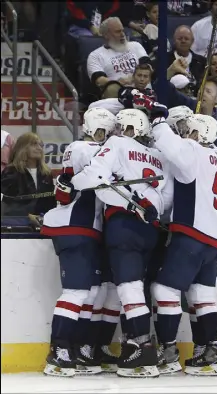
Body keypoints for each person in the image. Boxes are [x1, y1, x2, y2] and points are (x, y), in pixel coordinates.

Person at [144, 107, 217, 377]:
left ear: (200, 133)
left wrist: (158, 120)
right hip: (215, 241)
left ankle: (168, 353)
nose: (185, 134)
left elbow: (170, 147)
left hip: (191, 234)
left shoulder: (193, 151)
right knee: (202, 295)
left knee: (164, 291)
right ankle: (210, 354)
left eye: (190, 130)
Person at [70, 108, 173, 378]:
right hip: (151, 230)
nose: (116, 132)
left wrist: (74, 181)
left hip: (123, 224)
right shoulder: (159, 156)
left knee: (128, 288)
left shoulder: (116, 144)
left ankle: (142, 348)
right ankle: (133, 346)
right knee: (137, 288)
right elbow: (168, 200)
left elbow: (92, 176)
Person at [40, 108, 119, 377]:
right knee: (75, 293)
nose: (105, 135)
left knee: (94, 293)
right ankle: (58, 351)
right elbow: (99, 168)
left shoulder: (99, 148)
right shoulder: (80, 147)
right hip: (74, 227)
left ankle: (80, 349)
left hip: (91, 230)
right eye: (104, 131)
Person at [87, 17, 150, 94]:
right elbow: (99, 80)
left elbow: (149, 67)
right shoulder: (95, 55)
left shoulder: (135, 46)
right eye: (118, 32)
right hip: (118, 95)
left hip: (144, 92)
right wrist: (118, 82)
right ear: (106, 35)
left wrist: (134, 79)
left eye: (122, 30)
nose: (123, 34)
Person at [1, 132, 55, 217]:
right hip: (18, 224)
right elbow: (7, 203)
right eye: (34, 144)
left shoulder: (46, 173)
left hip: (45, 223)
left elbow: (50, 202)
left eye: (40, 145)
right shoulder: (11, 171)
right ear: (23, 148)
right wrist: (28, 216)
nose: (39, 148)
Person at [165, 25, 206, 97]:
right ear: (174, 40)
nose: (183, 41)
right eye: (180, 38)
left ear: (192, 41)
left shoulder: (202, 61)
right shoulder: (163, 59)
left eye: (186, 39)